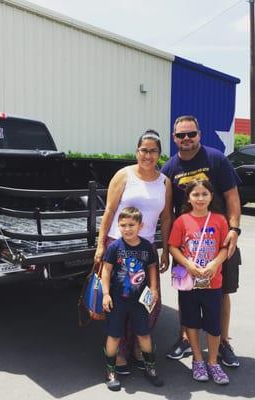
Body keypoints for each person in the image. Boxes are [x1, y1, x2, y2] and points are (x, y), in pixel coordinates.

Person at [161, 115, 241, 367]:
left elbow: (232, 196)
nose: (186, 139)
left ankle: (224, 342)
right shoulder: (169, 168)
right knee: (186, 292)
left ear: (199, 134)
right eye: (181, 135)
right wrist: (167, 248)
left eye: (191, 134)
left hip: (219, 242)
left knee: (222, 292)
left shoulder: (215, 158)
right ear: (174, 138)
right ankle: (185, 338)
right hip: (187, 246)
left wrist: (234, 229)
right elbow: (165, 211)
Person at [94, 129, 172, 372]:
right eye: (144, 150)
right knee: (118, 303)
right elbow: (108, 211)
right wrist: (100, 244)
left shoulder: (164, 182)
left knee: (148, 303)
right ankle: (118, 354)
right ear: (137, 151)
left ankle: (139, 346)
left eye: (153, 151)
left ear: (160, 154)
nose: (148, 155)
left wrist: (165, 250)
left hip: (145, 251)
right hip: (118, 248)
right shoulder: (124, 175)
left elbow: (167, 218)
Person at [169, 179, 230, 384]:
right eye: (196, 194)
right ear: (189, 197)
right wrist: (188, 264)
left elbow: (224, 247)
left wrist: (214, 264)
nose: (200, 198)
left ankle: (213, 362)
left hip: (213, 282)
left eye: (204, 194)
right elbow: (173, 247)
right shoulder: (182, 221)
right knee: (191, 322)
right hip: (189, 283)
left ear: (211, 196)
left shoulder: (220, 220)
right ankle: (197, 359)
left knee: (214, 324)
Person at [102, 207, 164, 391]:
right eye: (123, 225)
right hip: (117, 299)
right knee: (114, 335)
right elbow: (106, 270)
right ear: (118, 226)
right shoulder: (114, 247)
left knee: (143, 333)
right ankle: (110, 371)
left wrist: (154, 288)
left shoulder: (146, 246)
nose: (127, 229)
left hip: (139, 300)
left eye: (131, 225)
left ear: (140, 225)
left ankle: (150, 367)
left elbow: (152, 267)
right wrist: (105, 294)